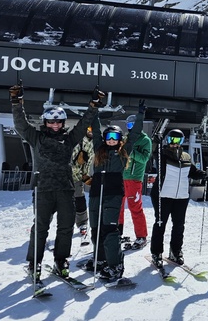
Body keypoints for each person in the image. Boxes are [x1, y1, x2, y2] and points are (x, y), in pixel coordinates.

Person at [10, 84, 101, 280]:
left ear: (62, 123)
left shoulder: (69, 139)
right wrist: (17, 102)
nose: (55, 125)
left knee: (66, 227)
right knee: (41, 227)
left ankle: (61, 260)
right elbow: (21, 124)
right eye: (51, 122)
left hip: (65, 190)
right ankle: (34, 262)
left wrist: (93, 105)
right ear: (45, 122)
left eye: (58, 122)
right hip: (43, 189)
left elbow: (84, 124)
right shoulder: (37, 138)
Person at [85, 101, 146, 281]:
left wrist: (140, 114)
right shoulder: (99, 149)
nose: (111, 139)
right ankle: (100, 259)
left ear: (119, 139)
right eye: (108, 136)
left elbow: (134, 135)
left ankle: (115, 265)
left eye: (115, 137)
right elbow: (95, 129)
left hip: (112, 193)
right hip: (96, 193)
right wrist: (94, 110)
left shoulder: (123, 152)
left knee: (110, 230)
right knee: (95, 228)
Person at [149, 128, 208, 269]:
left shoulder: (186, 157)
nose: (174, 143)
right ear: (168, 140)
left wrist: (203, 175)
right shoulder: (162, 155)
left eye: (178, 140)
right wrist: (155, 142)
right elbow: (153, 153)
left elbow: (193, 172)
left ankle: (175, 251)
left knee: (179, 225)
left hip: (181, 197)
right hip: (163, 195)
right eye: (172, 140)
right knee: (160, 224)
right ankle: (156, 253)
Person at [119, 114, 152, 250]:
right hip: (121, 176)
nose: (130, 128)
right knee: (118, 207)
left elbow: (144, 159)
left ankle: (141, 236)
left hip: (134, 178)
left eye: (132, 125)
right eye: (128, 126)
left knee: (135, 207)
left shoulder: (145, 140)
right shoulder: (127, 139)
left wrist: (131, 152)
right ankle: (117, 233)